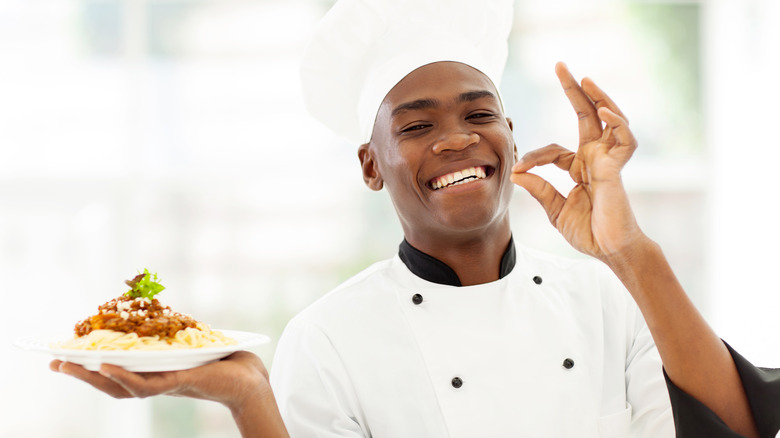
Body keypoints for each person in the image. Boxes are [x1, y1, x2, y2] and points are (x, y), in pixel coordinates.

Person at [51, 0, 780, 437]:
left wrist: (628, 250)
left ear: (513, 138)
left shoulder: (603, 301)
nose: (457, 138)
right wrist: (249, 394)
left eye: (479, 112)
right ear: (371, 166)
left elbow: (738, 429)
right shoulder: (329, 337)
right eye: (416, 125)